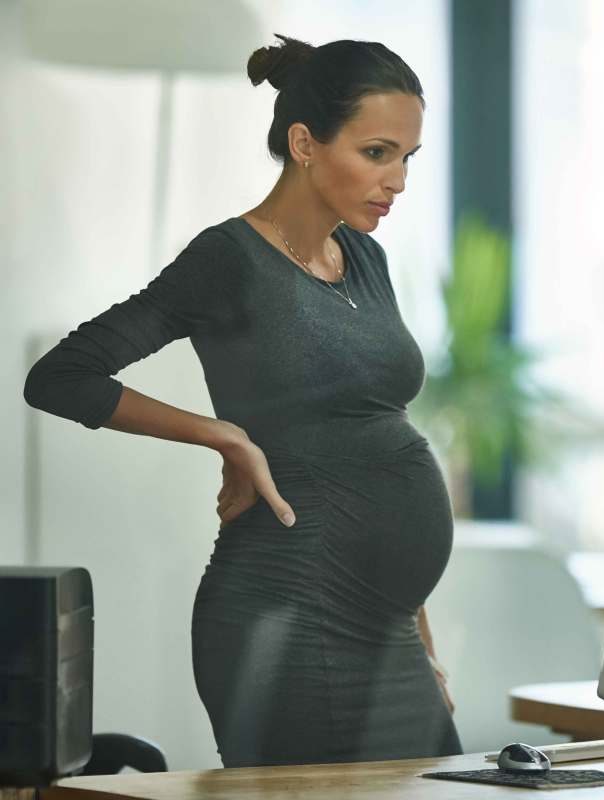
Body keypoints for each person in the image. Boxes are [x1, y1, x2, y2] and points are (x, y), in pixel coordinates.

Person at [23, 34, 462, 767]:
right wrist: (223, 435)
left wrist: (422, 644)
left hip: (388, 635)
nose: (400, 180)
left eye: (408, 158)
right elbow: (61, 376)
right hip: (289, 619)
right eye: (378, 153)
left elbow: (370, 445)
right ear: (305, 143)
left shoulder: (365, 257)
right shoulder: (228, 260)